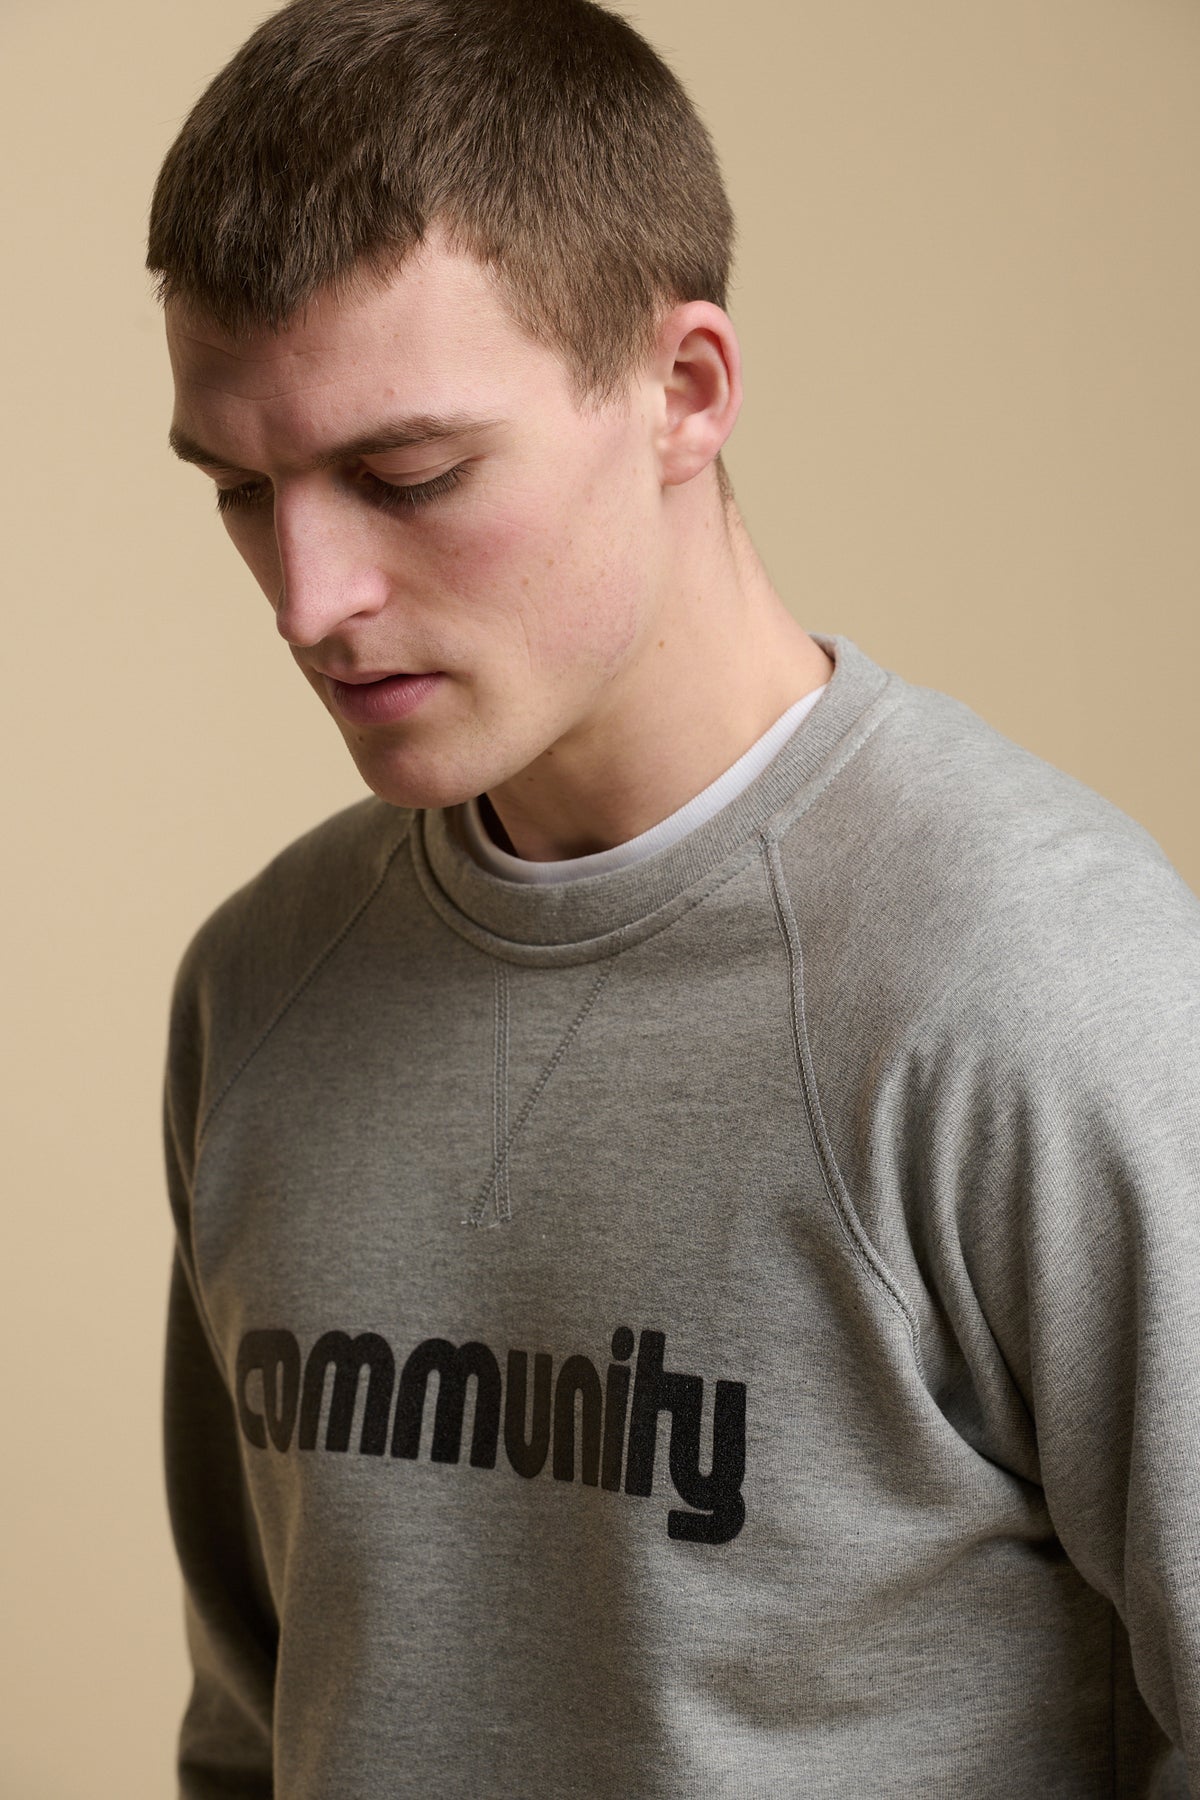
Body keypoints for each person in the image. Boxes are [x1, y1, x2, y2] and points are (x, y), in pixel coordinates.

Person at [150, 0, 1200, 1793]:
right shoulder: (259, 985)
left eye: (406, 478)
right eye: (245, 492)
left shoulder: (1037, 978)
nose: (307, 596)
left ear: (685, 392)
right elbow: (260, 1724)